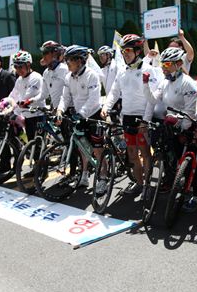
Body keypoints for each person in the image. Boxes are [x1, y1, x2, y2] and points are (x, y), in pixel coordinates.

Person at [142, 47, 197, 211]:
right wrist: (145, 85)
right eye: (163, 64)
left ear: (178, 64)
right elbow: (153, 100)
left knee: (192, 165)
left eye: (167, 64)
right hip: (173, 126)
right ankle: (184, 184)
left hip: (188, 125)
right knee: (177, 159)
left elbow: (190, 112)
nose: (164, 68)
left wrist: (182, 127)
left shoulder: (187, 82)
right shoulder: (165, 82)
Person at [101, 34, 154, 194]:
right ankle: (139, 183)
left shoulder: (148, 69)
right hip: (128, 117)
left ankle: (147, 185)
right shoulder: (122, 71)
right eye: (123, 51)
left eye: (128, 50)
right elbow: (113, 92)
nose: (125, 54)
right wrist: (106, 107)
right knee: (132, 154)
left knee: (145, 153)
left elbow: (152, 99)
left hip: (143, 117)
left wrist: (146, 120)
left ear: (138, 51)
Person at [56, 45, 103, 188]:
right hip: (79, 115)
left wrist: (81, 113)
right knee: (82, 148)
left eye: (69, 60)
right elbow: (65, 98)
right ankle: (83, 175)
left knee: (97, 150)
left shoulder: (91, 75)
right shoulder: (68, 77)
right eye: (66, 60)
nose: (66, 63)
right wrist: (60, 110)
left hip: (93, 115)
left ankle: (103, 179)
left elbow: (94, 99)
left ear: (79, 61)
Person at [8, 50, 46, 141]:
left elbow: (26, 98)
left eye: (20, 66)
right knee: (31, 143)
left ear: (28, 65)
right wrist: (3, 104)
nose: (18, 70)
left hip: (38, 115)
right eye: (16, 67)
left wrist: (13, 107)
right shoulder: (19, 80)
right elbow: (13, 95)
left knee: (38, 146)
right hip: (27, 116)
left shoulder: (36, 77)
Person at [33, 41, 69, 110]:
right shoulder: (46, 72)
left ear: (55, 54)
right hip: (56, 111)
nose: (43, 56)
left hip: (67, 109)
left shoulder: (64, 69)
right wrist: (30, 101)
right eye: (43, 53)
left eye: (46, 53)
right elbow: (44, 94)